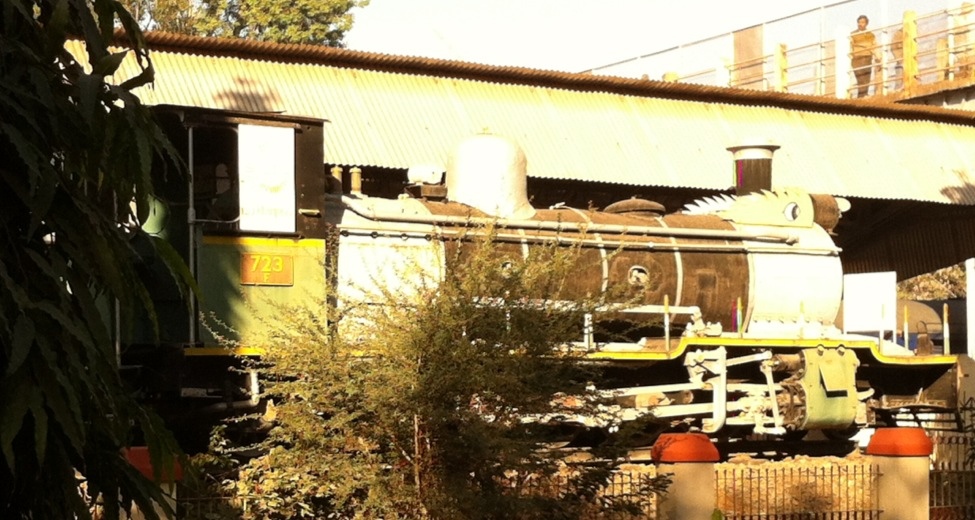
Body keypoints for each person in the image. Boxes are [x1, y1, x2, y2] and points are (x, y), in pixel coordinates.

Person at [850, 15, 880, 97]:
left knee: (866, 77)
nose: (860, 24)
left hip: (867, 57)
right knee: (860, 78)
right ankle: (861, 95)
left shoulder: (871, 35)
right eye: (859, 22)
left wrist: (878, 58)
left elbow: (874, 46)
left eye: (862, 22)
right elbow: (850, 46)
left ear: (866, 23)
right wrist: (851, 57)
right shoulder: (852, 34)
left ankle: (863, 95)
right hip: (857, 58)